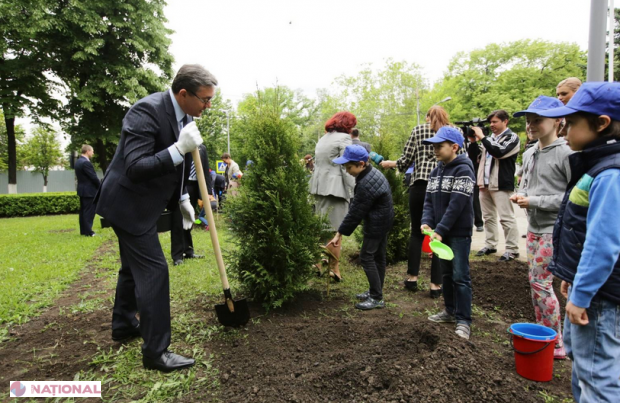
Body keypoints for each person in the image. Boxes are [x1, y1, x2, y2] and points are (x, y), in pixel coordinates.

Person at [95, 64, 216, 372]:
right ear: (183, 93)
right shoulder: (145, 112)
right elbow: (135, 166)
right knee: (154, 270)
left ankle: (123, 324)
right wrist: (178, 149)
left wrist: (184, 197)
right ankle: (156, 352)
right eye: (205, 99)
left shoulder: (186, 116)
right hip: (127, 204)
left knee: (131, 269)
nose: (209, 105)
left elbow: (177, 167)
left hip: (145, 203)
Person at [539, 82, 620, 402]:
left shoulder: (610, 174)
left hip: (599, 297)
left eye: (571, 123)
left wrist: (583, 293)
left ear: (601, 123)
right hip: (588, 290)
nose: (564, 130)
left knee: (598, 375)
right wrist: (572, 279)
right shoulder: (594, 166)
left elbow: (602, 245)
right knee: (583, 364)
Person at [511, 95, 573, 360]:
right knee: (536, 282)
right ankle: (546, 334)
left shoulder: (567, 154)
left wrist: (533, 200)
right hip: (534, 228)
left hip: (554, 229)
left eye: (537, 120)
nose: (531, 125)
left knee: (542, 284)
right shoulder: (529, 153)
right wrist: (521, 195)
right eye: (528, 120)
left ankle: (556, 342)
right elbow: (526, 186)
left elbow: (573, 198)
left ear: (558, 121)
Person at [379, 106, 452, 297]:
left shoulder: (418, 130)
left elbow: (405, 162)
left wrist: (391, 163)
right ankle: (436, 285)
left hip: (419, 186)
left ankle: (412, 278)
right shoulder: (453, 132)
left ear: (428, 117)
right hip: (443, 187)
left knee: (416, 232)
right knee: (438, 233)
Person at [421, 127, 476, 340]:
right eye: (433, 146)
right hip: (439, 234)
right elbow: (428, 200)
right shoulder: (436, 172)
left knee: (460, 276)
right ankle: (450, 311)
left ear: (454, 147)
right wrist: (427, 222)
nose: (435, 150)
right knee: (446, 274)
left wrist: (441, 230)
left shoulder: (464, 170)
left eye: (439, 146)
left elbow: (457, 204)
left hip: (458, 233)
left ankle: (464, 320)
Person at [327, 144, 394, 310]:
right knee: (378, 257)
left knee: (367, 257)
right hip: (383, 220)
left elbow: (355, 212)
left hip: (377, 223)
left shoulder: (365, 184)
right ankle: (374, 291)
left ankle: (377, 298)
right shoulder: (371, 173)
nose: (347, 171)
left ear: (361, 164)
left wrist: (339, 233)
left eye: (349, 167)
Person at [309, 111, 357, 281]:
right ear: (347, 125)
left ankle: (319, 263)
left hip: (319, 187)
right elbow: (347, 165)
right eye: (352, 125)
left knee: (323, 228)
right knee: (337, 230)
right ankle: (334, 269)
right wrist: (354, 187)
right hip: (335, 189)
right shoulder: (344, 138)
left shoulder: (323, 139)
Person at [471, 110, 521, 261]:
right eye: (490, 122)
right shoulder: (489, 139)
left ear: (505, 121)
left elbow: (499, 152)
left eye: (495, 122)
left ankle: (512, 249)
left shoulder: (512, 137)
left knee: (506, 217)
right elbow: (475, 158)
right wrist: (473, 142)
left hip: (501, 183)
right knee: (488, 217)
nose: (491, 125)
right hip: (484, 183)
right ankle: (490, 244)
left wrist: (483, 137)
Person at [170, 143, 212, 266]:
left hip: (194, 186)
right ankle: (177, 255)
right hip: (181, 185)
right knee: (178, 220)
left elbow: (205, 170)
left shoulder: (202, 147)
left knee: (189, 219)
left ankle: (188, 251)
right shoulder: (180, 143)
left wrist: (208, 192)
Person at [75, 144, 101, 236]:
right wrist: (100, 186)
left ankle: (84, 230)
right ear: (88, 151)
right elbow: (93, 177)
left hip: (82, 190)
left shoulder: (78, 161)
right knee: (89, 211)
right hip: (89, 191)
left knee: (83, 211)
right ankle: (89, 232)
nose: (93, 153)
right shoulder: (86, 163)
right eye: (92, 151)